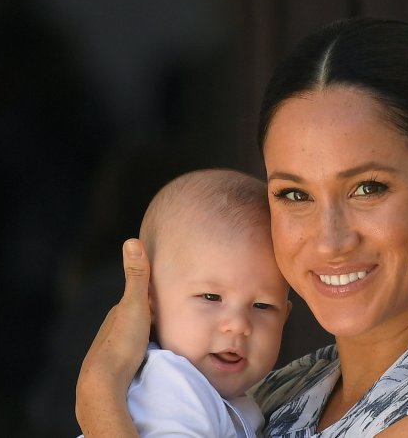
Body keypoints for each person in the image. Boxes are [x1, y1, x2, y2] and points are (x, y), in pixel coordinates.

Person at [76, 18, 408, 437]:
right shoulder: (281, 390)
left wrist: (101, 397)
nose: (330, 240)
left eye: (368, 188)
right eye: (295, 195)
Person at [76, 168, 291, 438]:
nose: (238, 325)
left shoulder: (227, 398)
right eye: (211, 298)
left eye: (263, 306)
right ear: (150, 301)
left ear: (285, 316)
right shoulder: (173, 385)